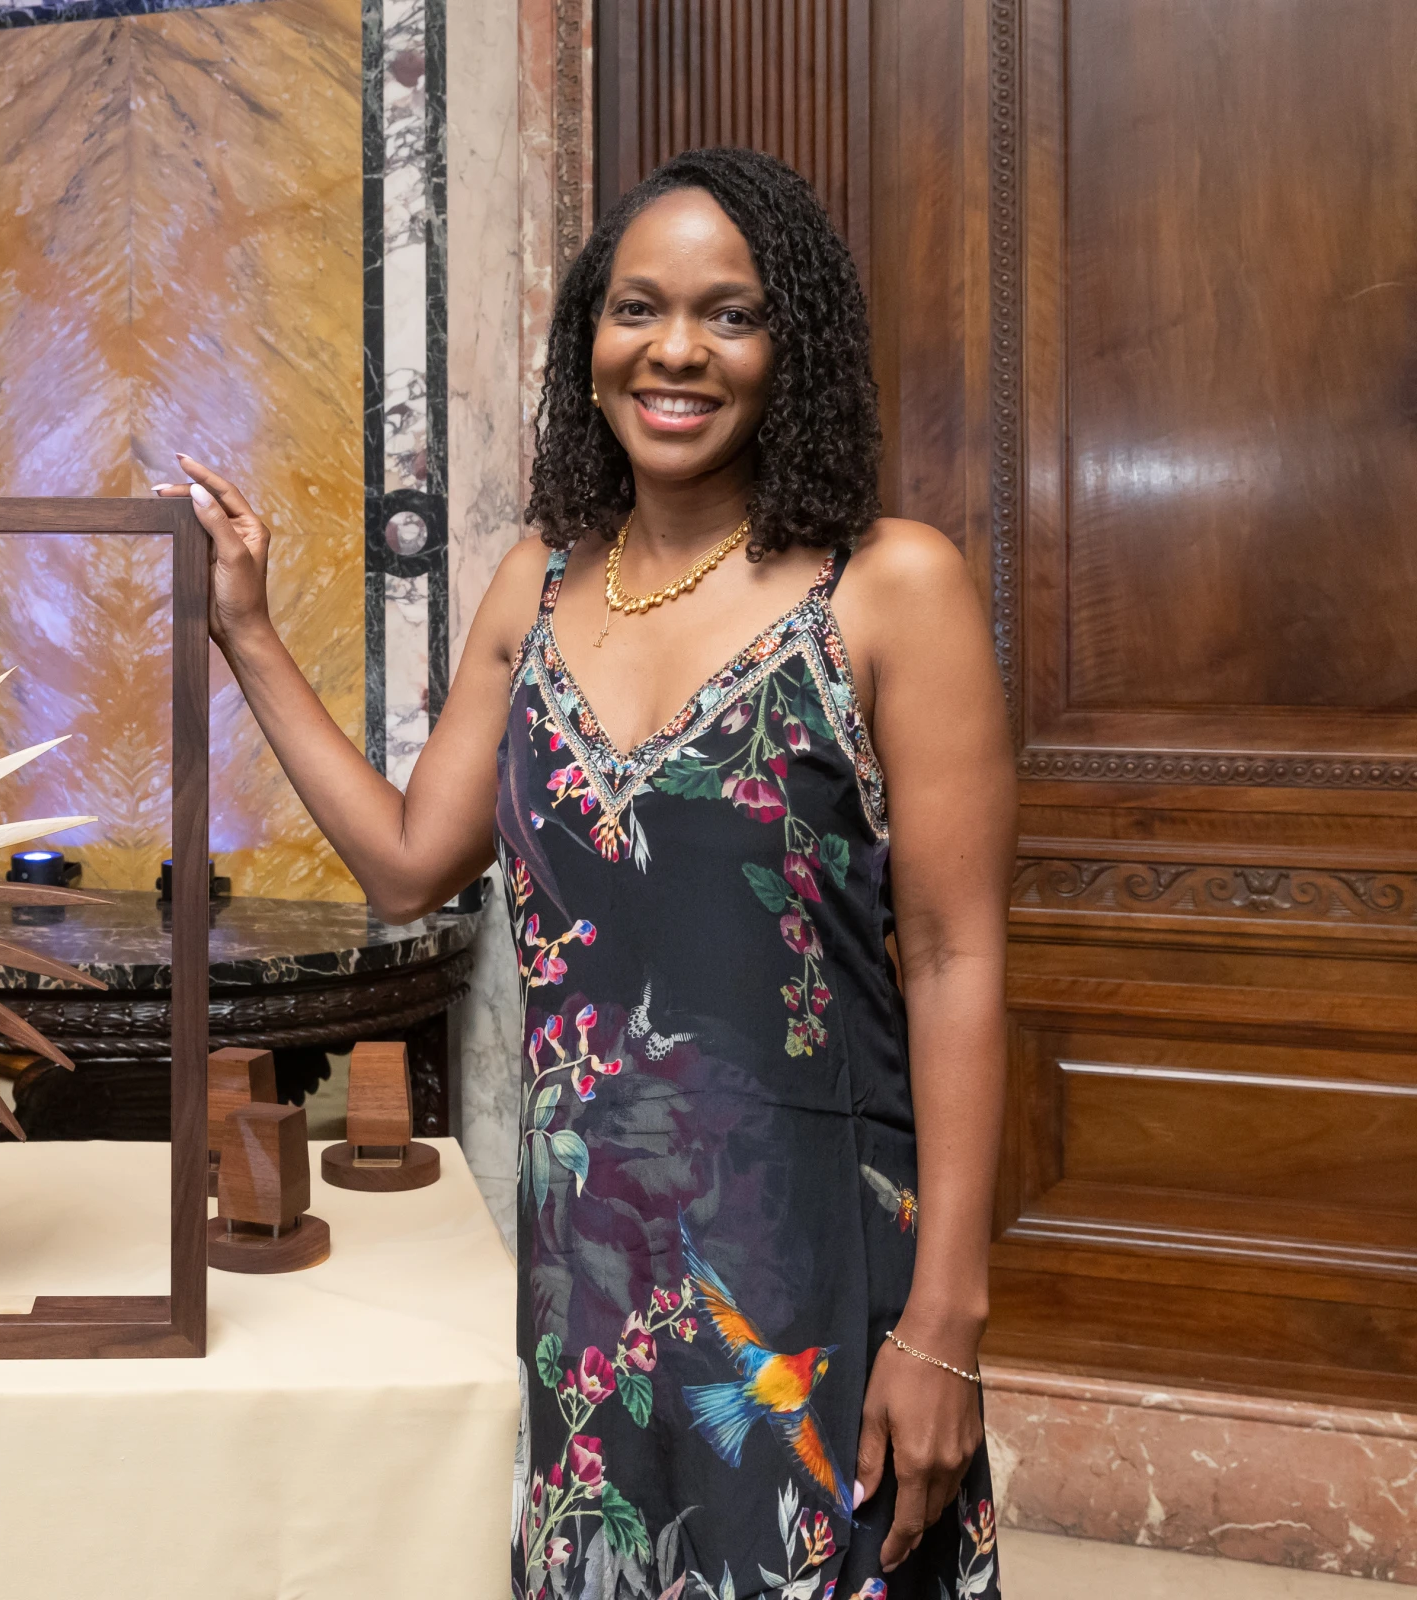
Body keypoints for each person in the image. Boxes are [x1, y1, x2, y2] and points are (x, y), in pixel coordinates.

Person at [158, 146, 1010, 1598]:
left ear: (788, 346)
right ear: (590, 341)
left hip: (807, 1284)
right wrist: (244, 629)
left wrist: (944, 1324)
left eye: (729, 315)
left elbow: (954, 958)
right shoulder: (542, 579)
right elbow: (410, 864)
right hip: (588, 1289)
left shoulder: (889, 587)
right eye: (638, 308)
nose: (676, 349)